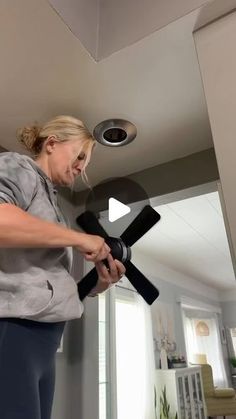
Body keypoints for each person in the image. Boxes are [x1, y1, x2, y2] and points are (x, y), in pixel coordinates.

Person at [0, 115, 126, 419]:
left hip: (45, 342)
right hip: (15, 333)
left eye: (87, 161)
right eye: (80, 155)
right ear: (52, 144)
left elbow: (49, 282)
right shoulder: (17, 166)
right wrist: (78, 240)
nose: (83, 166)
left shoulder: (53, 205)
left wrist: (99, 284)